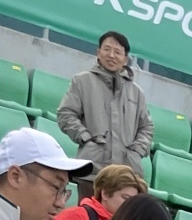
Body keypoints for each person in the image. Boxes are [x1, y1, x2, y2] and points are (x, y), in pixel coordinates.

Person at [57, 32, 153, 178]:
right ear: (98, 52)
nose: (111, 55)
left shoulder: (137, 93)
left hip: (126, 174)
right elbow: (66, 114)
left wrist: (137, 151)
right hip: (91, 171)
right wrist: (86, 138)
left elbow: (146, 127)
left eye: (117, 52)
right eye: (107, 49)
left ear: (125, 59)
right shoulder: (82, 81)